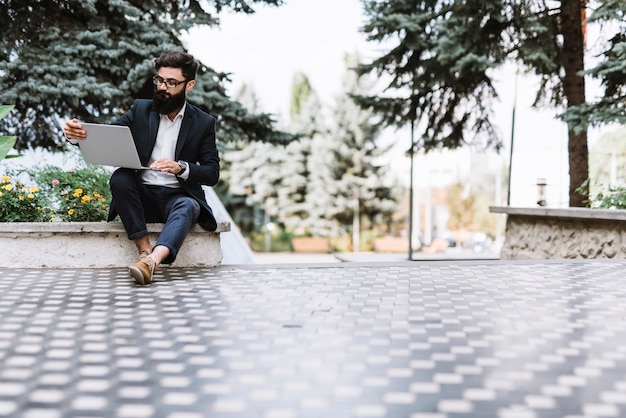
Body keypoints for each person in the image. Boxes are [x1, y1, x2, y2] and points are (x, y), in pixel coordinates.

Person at [64, 51, 220, 285]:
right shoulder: (140, 109)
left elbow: (212, 172)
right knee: (120, 178)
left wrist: (180, 167)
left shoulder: (203, 122)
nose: (163, 87)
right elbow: (107, 136)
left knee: (188, 205)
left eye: (172, 82)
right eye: (159, 80)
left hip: (177, 197)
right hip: (141, 195)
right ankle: (144, 250)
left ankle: (152, 262)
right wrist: (77, 137)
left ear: (189, 85)